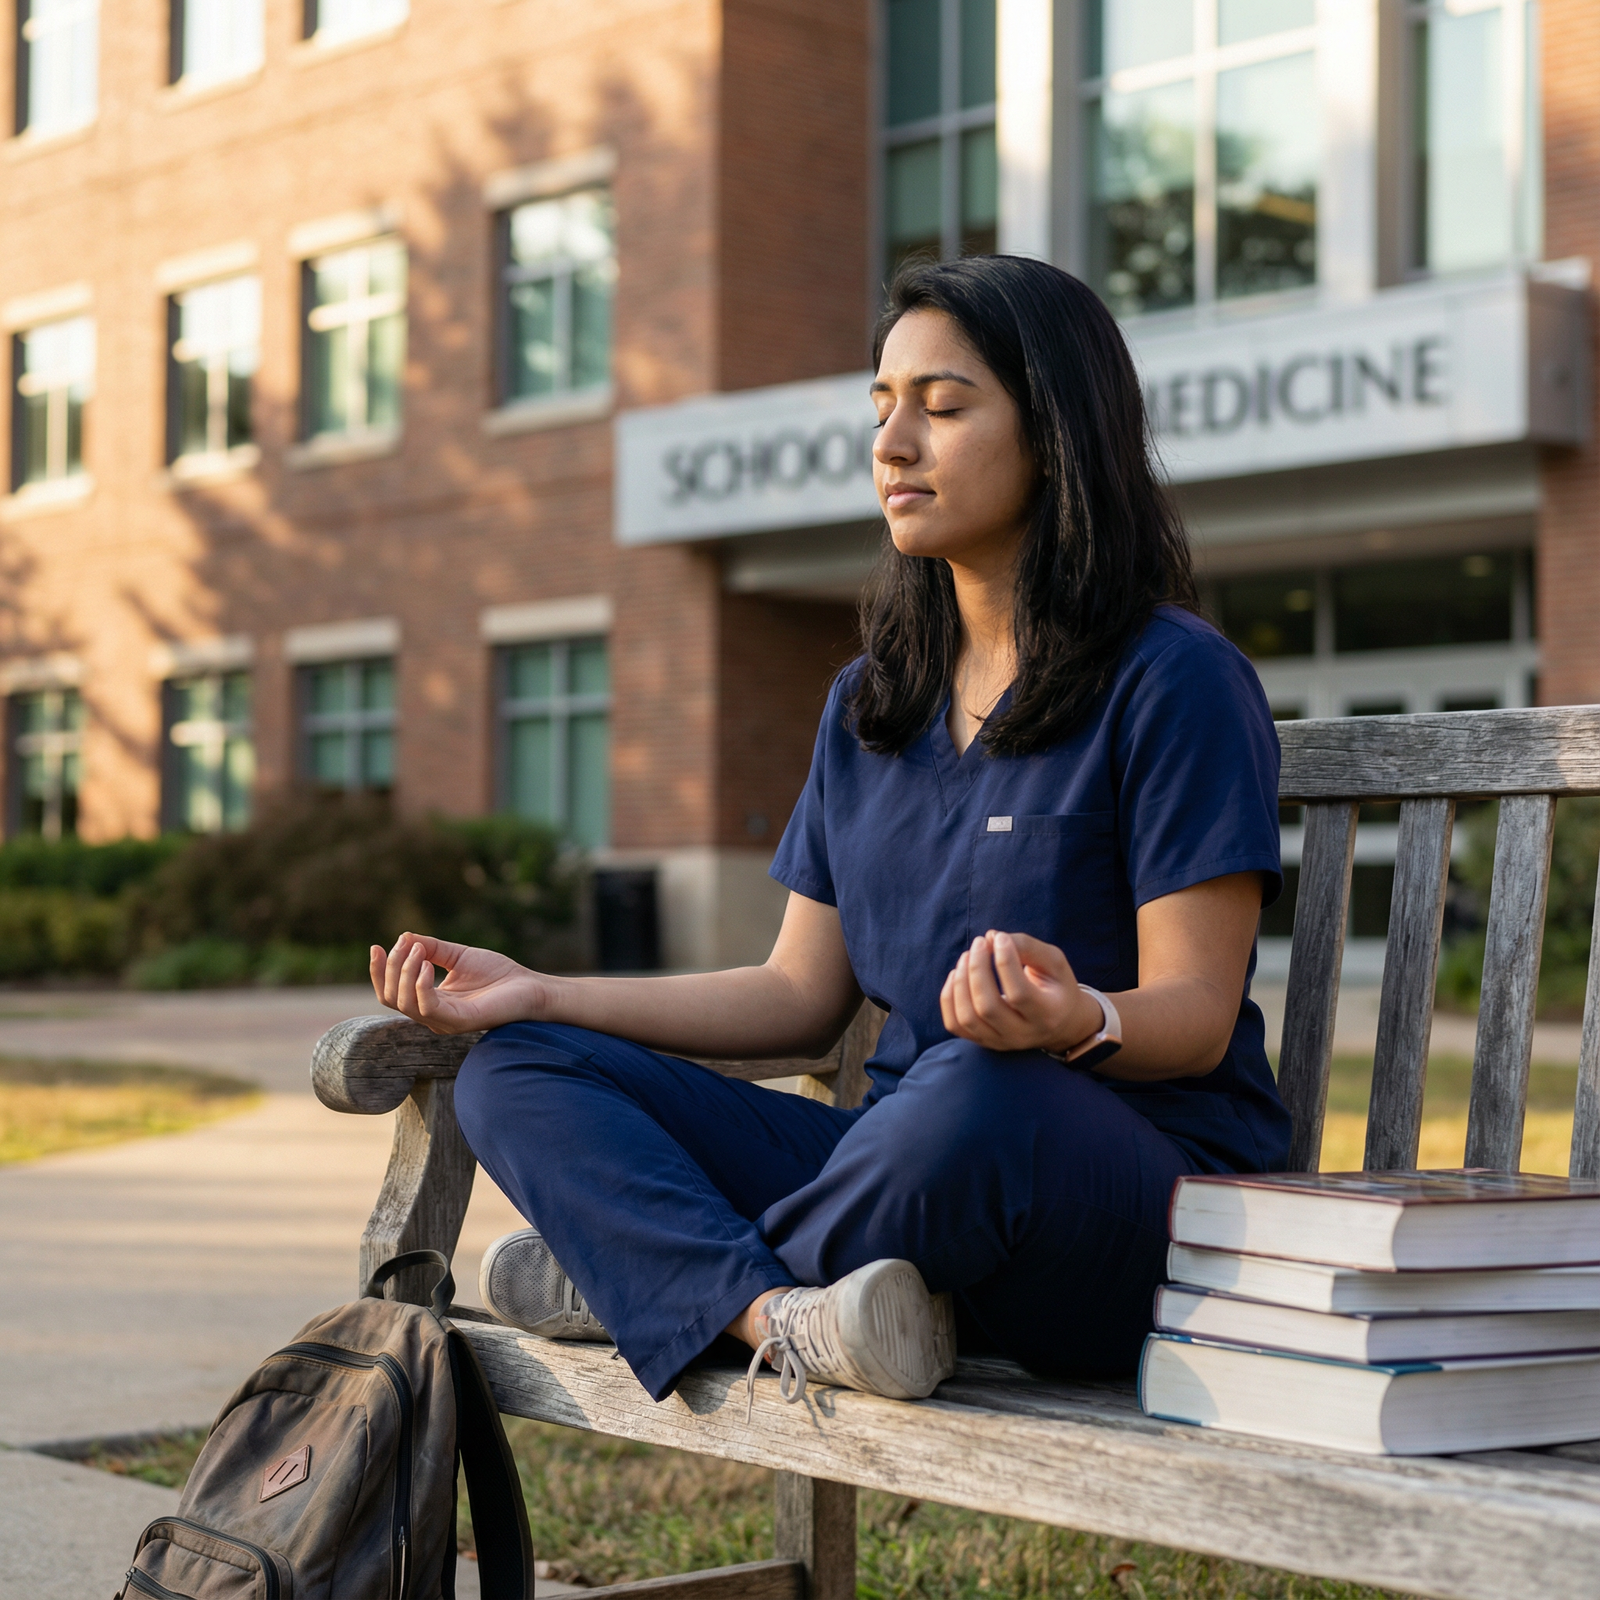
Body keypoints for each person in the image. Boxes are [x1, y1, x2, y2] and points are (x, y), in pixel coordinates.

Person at [370, 254, 1290, 1412]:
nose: (892, 444)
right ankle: (772, 1314)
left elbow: (1195, 1017)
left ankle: (648, 1278)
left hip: (1108, 1192)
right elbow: (796, 995)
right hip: (901, 1181)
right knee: (517, 1068)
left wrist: (1075, 1019)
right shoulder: (871, 704)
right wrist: (541, 991)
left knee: (979, 1090)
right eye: (882, 405)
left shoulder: (1174, 678)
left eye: (941, 407)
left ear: (1056, 435)